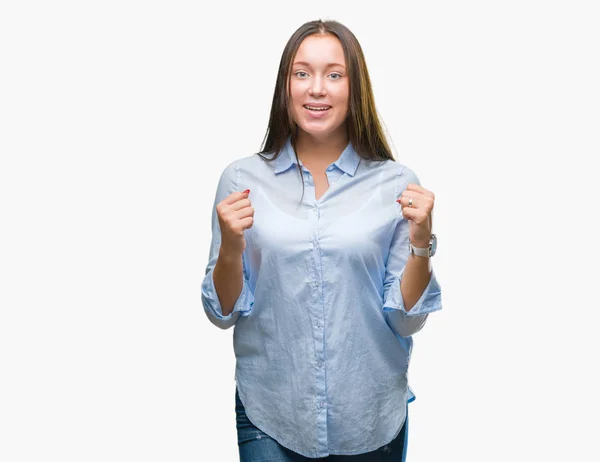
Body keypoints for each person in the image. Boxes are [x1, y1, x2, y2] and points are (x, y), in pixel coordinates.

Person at [201, 19, 442, 461]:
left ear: (355, 88)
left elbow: (405, 321)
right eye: (302, 73)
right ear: (285, 86)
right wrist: (232, 248)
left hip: (370, 415)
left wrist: (421, 244)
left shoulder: (397, 183)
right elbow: (223, 314)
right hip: (271, 412)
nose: (317, 88)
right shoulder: (240, 180)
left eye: (334, 74)